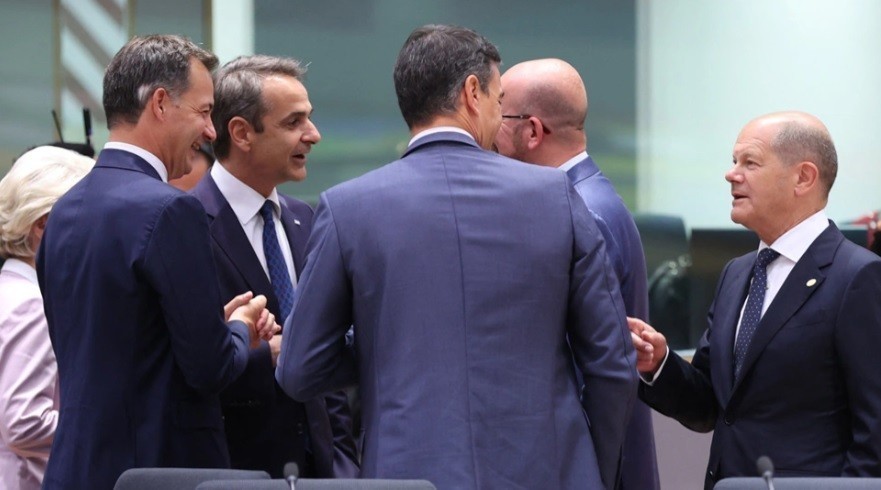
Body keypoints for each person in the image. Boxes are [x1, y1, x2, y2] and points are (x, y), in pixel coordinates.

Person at [276, 24, 637, 490]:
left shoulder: (347, 208)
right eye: (498, 98)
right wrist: (590, 472)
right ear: (472, 93)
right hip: (551, 472)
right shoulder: (556, 196)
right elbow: (611, 363)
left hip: (406, 475)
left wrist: (383, 346)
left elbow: (300, 369)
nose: (499, 114)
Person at [36, 35, 277, 489]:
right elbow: (210, 369)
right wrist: (241, 327)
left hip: (74, 469)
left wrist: (214, 328)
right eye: (205, 111)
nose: (211, 132)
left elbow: (111, 342)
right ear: (161, 103)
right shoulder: (171, 209)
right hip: (156, 471)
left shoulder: (64, 209)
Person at [629, 111, 881, 488]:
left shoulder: (858, 276)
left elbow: (875, 431)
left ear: (803, 177)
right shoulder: (737, 273)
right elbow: (711, 405)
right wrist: (659, 362)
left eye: (750, 162)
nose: (731, 175)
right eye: (734, 161)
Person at [494, 58, 659, 490]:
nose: (487, 133)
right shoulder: (587, 200)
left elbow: (596, 374)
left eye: (498, 115)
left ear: (532, 131)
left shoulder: (579, 214)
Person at [191, 54, 359, 478]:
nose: (313, 135)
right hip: (234, 474)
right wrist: (261, 355)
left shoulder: (305, 219)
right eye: (293, 122)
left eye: (309, 118)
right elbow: (187, 371)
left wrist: (343, 464)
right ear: (241, 133)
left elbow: (323, 357)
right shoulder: (186, 223)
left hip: (319, 473)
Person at [0, 146, 93, 490]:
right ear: (43, 225)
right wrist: (103, 424)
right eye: (85, 217)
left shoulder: (12, 290)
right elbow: (24, 424)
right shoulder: (32, 304)